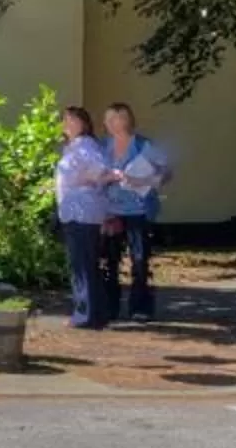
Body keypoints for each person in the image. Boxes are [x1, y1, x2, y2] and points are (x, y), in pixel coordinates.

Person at [102, 102, 172, 323]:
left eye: (120, 118)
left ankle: (140, 307)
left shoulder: (143, 145)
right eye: (110, 119)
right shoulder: (103, 146)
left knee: (140, 259)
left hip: (138, 210)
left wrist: (141, 180)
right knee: (108, 260)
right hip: (111, 210)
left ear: (129, 120)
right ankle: (109, 307)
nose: (115, 124)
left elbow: (166, 174)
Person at [53, 104, 121, 330]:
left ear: (83, 124)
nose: (67, 125)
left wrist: (86, 179)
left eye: (72, 120)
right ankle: (97, 312)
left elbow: (99, 171)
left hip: (82, 212)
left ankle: (86, 314)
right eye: (65, 121)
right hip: (75, 211)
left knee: (82, 265)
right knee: (84, 264)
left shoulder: (85, 146)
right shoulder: (74, 147)